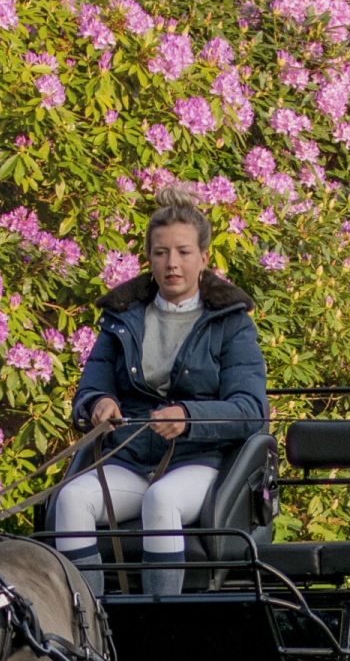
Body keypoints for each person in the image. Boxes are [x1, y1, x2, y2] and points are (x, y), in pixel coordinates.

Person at [56, 186, 268, 595]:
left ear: (203, 257)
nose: (172, 263)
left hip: (200, 462)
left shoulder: (232, 322)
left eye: (183, 252)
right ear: (149, 258)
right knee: (71, 499)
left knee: (162, 498)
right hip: (132, 457)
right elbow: (91, 388)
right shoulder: (121, 317)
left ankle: (161, 618)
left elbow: (250, 409)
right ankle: (86, 623)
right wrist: (99, 403)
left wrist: (189, 418)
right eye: (161, 253)